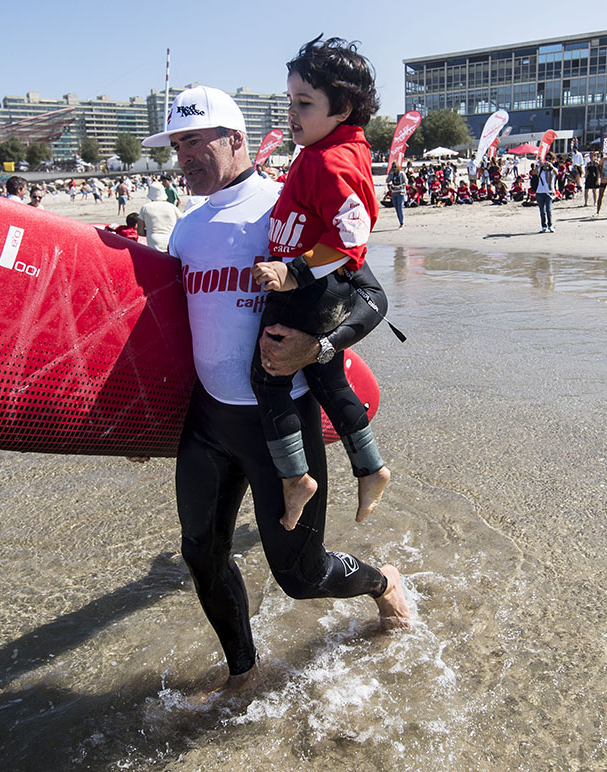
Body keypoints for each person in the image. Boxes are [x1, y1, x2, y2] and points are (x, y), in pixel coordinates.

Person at [138, 82, 411, 697]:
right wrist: (142, 422)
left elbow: (372, 298)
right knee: (201, 553)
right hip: (208, 421)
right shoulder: (186, 230)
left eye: (194, 141)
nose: (184, 156)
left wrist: (319, 348)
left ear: (235, 139)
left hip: (280, 419)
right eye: (176, 146)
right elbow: (173, 335)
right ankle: (243, 672)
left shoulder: (285, 207)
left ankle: (381, 582)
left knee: (302, 576)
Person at [248, 37, 392, 529]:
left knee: (268, 375)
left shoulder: (327, 160)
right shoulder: (326, 151)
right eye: (290, 100)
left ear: (343, 108)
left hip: (309, 290)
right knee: (327, 378)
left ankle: (295, 479)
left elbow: (353, 234)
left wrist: (294, 272)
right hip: (325, 288)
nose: (292, 113)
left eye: (305, 103)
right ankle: (370, 468)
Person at [137, 180, 182, 251]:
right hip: (170, 241)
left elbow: (140, 231)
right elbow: (182, 222)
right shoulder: (172, 207)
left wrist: (150, 232)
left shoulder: (145, 208)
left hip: (153, 243)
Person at [536, 153, 557, 233]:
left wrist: (551, 166)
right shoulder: (541, 169)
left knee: (548, 209)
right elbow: (533, 172)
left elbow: (557, 173)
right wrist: (540, 165)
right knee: (542, 211)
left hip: (549, 192)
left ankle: (550, 225)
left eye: (550, 159)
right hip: (540, 191)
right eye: (547, 159)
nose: (548, 160)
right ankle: (543, 226)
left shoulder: (553, 169)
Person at [386, 161, 407, 227]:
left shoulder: (401, 174)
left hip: (401, 192)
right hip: (394, 193)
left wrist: (399, 186)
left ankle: (402, 222)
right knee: (397, 209)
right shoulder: (392, 175)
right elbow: (387, 181)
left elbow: (405, 182)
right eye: (393, 167)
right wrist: (390, 173)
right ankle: (400, 221)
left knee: (400, 208)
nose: (394, 168)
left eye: (395, 167)